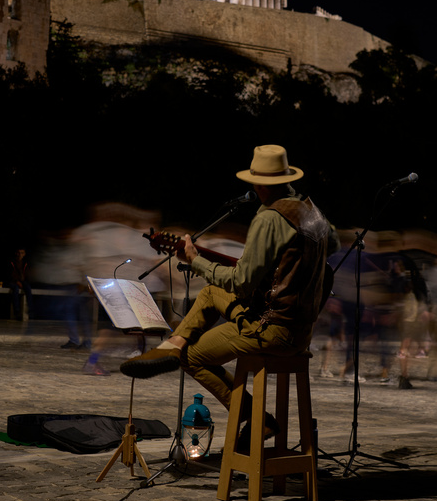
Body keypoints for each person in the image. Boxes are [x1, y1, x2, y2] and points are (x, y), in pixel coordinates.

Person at [120, 144, 336, 443]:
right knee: (210, 292)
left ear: (258, 182)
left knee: (191, 358)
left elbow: (242, 282)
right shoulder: (312, 212)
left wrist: (195, 260)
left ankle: (257, 419)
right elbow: (332, 245)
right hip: (302, 328)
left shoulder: (269, 218)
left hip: (272, 328)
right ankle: (173, 342)